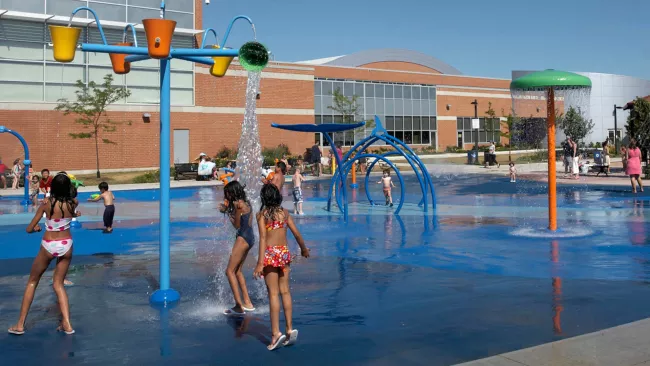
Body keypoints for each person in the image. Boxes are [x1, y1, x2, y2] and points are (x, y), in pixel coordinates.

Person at [8, 173, 80, 336]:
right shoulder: (73, 203)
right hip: (66, 244)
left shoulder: (46, 204)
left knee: (33, 282)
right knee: (59, 284)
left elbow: (29, 228)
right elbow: (71, 214)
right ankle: (67, 324)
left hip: (49, 245)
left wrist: (36, 228)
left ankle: (20, 325)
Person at [253, 184, 310, 351]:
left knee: (273, 294)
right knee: (285, 291)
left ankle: (275, 333)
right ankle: (289, 328)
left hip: (270, 255)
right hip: (284, 254)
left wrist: (260, 263)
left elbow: (263, 238)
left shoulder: (262, 215)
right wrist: (304, 249)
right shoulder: (284, 213)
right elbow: (296, 233)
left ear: (263, 198)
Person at [219, 181, 255, 316]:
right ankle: (248, 303)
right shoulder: (246, 202)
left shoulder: (238, 205)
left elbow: (237, 225)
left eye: (227, 193)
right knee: (238, 271)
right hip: (250, 237)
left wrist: (227, 212)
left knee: (229, 271)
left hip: (243, 238)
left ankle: (239, 305)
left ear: (232, 192)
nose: (226, 195)